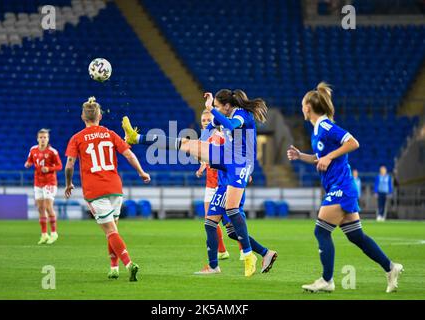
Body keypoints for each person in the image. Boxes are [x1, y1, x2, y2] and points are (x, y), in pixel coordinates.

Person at [122, 89, 277, 277]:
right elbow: (207, 133)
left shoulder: (241, 114)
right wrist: (199, 150)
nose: (217, 110)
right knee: (187, 145)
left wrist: (212, 109)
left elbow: (229, 125)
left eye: (219, 107)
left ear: (227, 106)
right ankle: (136, 138)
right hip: (226, 156)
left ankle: (248, 255)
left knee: (232, 210)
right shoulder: (223, 114)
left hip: (242, 162)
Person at [287, 82, 403, 293]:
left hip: (341, 187)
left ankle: (327, 280)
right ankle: (390, 267)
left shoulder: (325, 126)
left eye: (302, 105)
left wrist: (330, 156)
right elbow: (319, 158)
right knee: (356, 236)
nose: (301, 108)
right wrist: (300, 156)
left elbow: (353, 142)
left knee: (321, 231)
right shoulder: (317, 129)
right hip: (339, 185)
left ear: (308, 107)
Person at [64, 97, 150, 281]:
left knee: (110, 231)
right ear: (100, 116)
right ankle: (113, 268)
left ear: (82, 116)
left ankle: (128, 263)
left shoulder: (77, 138)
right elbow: (129, 154)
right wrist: (142, 172)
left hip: (95, 191)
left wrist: (68, 183)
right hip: (115, 187)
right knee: (113, 231)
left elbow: (70, 164)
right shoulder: (110, 134)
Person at [195, 109, 230, 260]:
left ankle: (244, 250)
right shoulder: (203, 139)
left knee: (229, 220)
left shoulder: (222, 137)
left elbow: (230, 157)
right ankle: (222, 251)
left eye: (208, 120)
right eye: (203, 120)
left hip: (222, 183)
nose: (205, 123)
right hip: (210, 184)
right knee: (209, 219)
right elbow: (204, 159)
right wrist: (202, 166)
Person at [25, 128, 62, 245]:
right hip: (38, 182)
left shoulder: (52, 152)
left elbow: (59, 166)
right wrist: (28, 163)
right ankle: (44, 234)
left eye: (45, 137)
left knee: (48, 206)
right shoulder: (33, 150)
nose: (43, 139)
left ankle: (54, 233)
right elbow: (30, 160)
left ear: (48, 139)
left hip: (50, 182)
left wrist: (49, 169)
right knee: (40, 208)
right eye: (41, 137)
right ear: (37, 139)